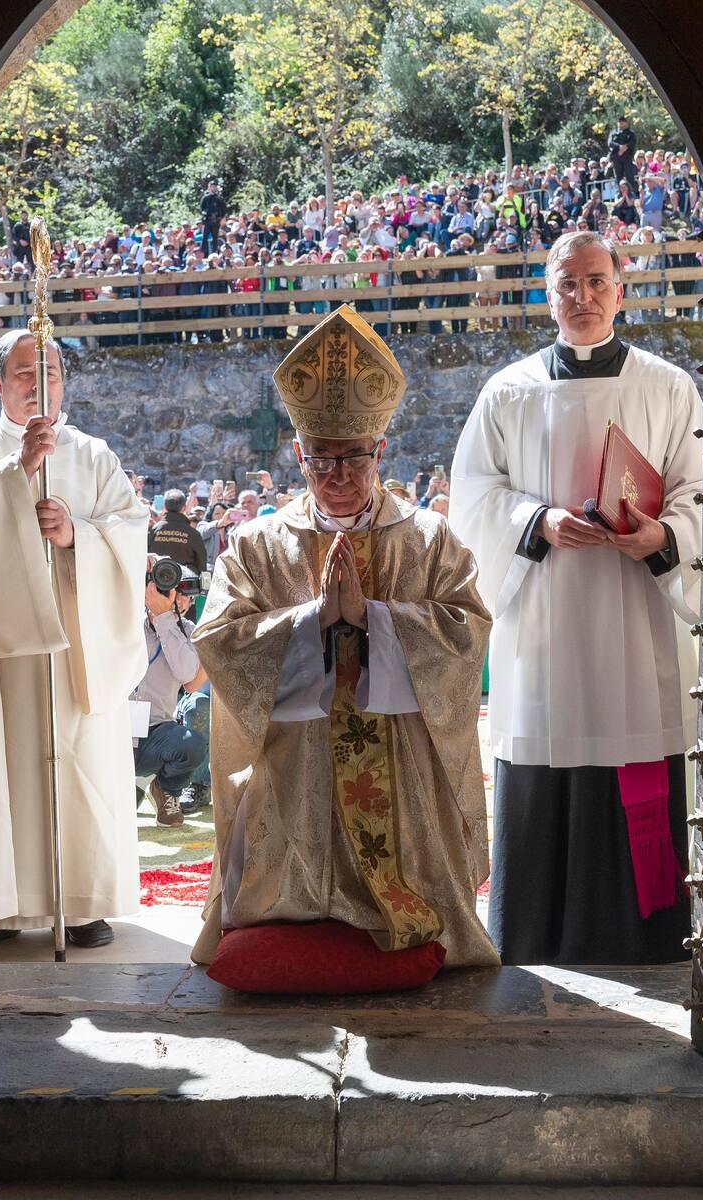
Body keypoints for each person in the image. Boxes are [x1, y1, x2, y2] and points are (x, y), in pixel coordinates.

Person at [189, 304, 498, 971]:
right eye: (320, 461)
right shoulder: (257, 543)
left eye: (352, 459)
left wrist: (372, 620)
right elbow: (218, 638)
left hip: (402, 759)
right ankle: (296, 907)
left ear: (380, 451)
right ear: (299, 454)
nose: (336, 476)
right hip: (295, 760)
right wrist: (314, 623)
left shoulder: (428, 539)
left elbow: (468, 632)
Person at [450, 231, 703, 965]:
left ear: (621, 289)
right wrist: (536, 521)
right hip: (544, 620)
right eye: (567, 284)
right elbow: (473, 496)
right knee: (544, 753)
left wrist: (662, 534)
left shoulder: (667, 386)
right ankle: (535, 934)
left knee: (638, 746)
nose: (582, 297)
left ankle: (646, 935)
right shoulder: (508, 391)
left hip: (637, 617)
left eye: (596, 282)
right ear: (547, 292)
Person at [0, 330, 147, 952]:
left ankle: (79, 900)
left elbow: (131, 531)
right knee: (1, 764)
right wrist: (14, 477)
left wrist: (78, 532)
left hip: (78, 645)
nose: (39, 383)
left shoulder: (92, 455)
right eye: (25, 372)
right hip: (3, 655)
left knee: (76, 760)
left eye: (49, 370)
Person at [132, 558, 209, 827]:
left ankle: (166, 788)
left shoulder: (189, 633)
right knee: (120, 813)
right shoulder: (128, 623)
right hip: (112, 733)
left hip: (156, 734)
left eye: (183, 594)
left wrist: (165, 620)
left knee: (191, 744)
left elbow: (189, 676)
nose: (177, 600)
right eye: (166, 589)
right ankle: (138, 783)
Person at [149, 488, 208, 575]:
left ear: (164, 506)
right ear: (184, 508)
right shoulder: (193, 533)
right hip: (186, 583)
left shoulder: (154, 530)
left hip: (157, 580)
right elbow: (201, 564)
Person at [608, 117, 638, 189]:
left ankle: (631, 194)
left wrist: (625, 147)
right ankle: (620, 194)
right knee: (618, 177)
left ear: (626, 123)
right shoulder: (613, 133)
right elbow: (610, 143)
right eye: (620, 122)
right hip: (617, 157)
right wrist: (619, 147)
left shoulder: (630, 134)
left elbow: (633, 142)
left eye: (623, 122)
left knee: (629, 176)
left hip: (627, 157)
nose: (621, 123)